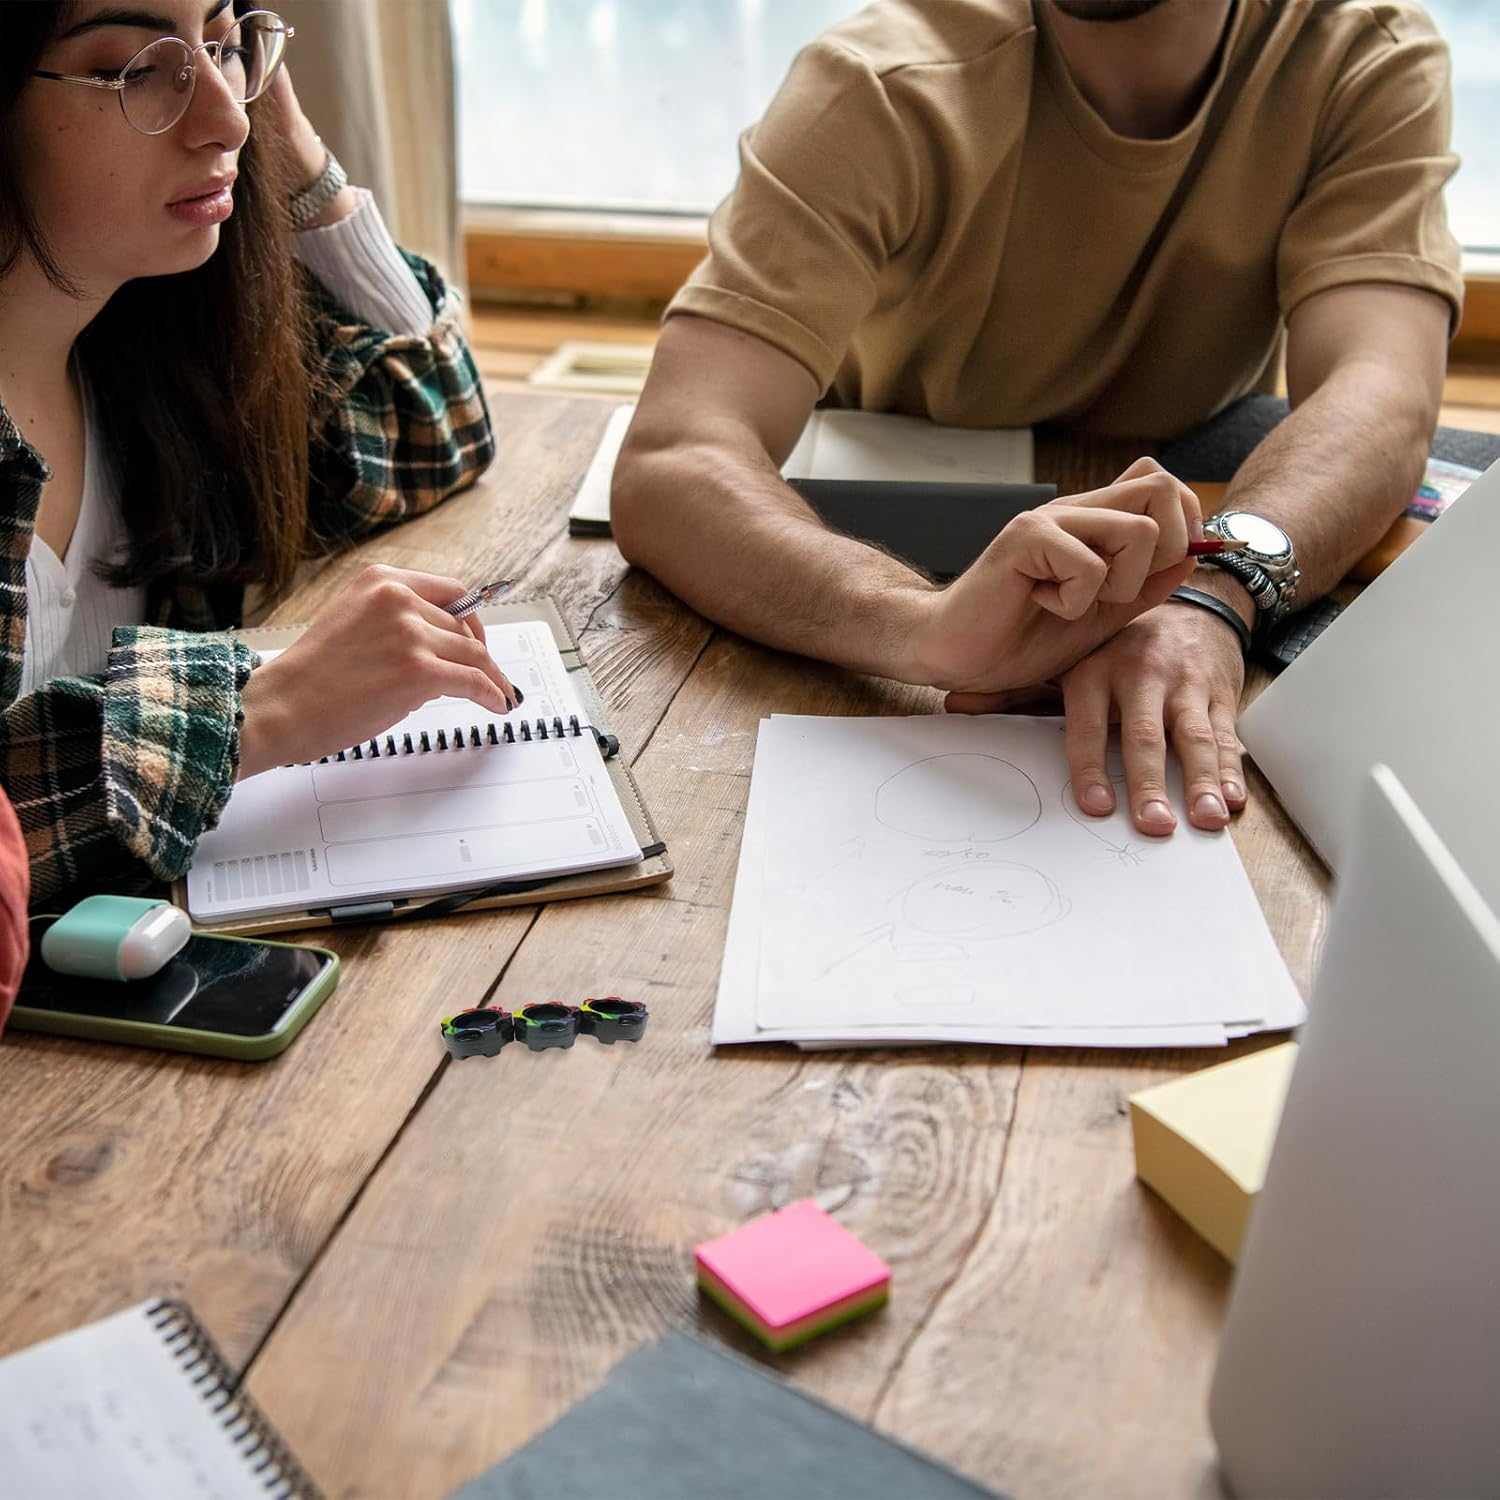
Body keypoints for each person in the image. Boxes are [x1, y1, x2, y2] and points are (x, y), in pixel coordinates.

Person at [613, 0, 1460, 838]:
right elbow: (676, 456)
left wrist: (1211, 595)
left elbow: (1382, 393)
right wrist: (921, 627)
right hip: (870, 542)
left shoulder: (1359, 49)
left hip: (1199, 510)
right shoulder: (878, 84)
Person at [0, 1, 516, 908]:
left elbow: (431, 424)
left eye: (224, 41)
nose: (227, 117)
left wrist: (291, 150)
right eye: (134, 71)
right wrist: (260, 710)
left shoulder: (141, 355)